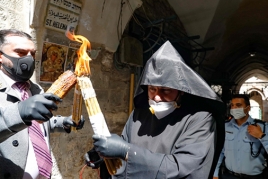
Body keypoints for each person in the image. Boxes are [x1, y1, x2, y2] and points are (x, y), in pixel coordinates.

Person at [84, 41, 225, 179]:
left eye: (165, 90)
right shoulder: (139, 113)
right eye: (152, 89)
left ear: (181, 91)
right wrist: (105, 156)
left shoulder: (200, 119)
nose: (157, 97)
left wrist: (127, 152)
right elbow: (124, 147)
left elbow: (183, 169)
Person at [0, 29, 85, 179]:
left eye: (32, 54)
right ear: (1, 56)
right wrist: (19, 112)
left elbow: (37, 125)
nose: (29, 59)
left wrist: (62, 122)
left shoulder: (34, 88)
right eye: (20, 53)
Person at [213, 94, 268, 179]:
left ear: (248, 108)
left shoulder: (262, 127)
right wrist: (215, 173)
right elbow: (220, 151)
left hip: (254, 177)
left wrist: (261, 136)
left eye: (238, 105)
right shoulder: (225, 126)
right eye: (232, 105)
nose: (234, 108)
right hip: (229, 176)